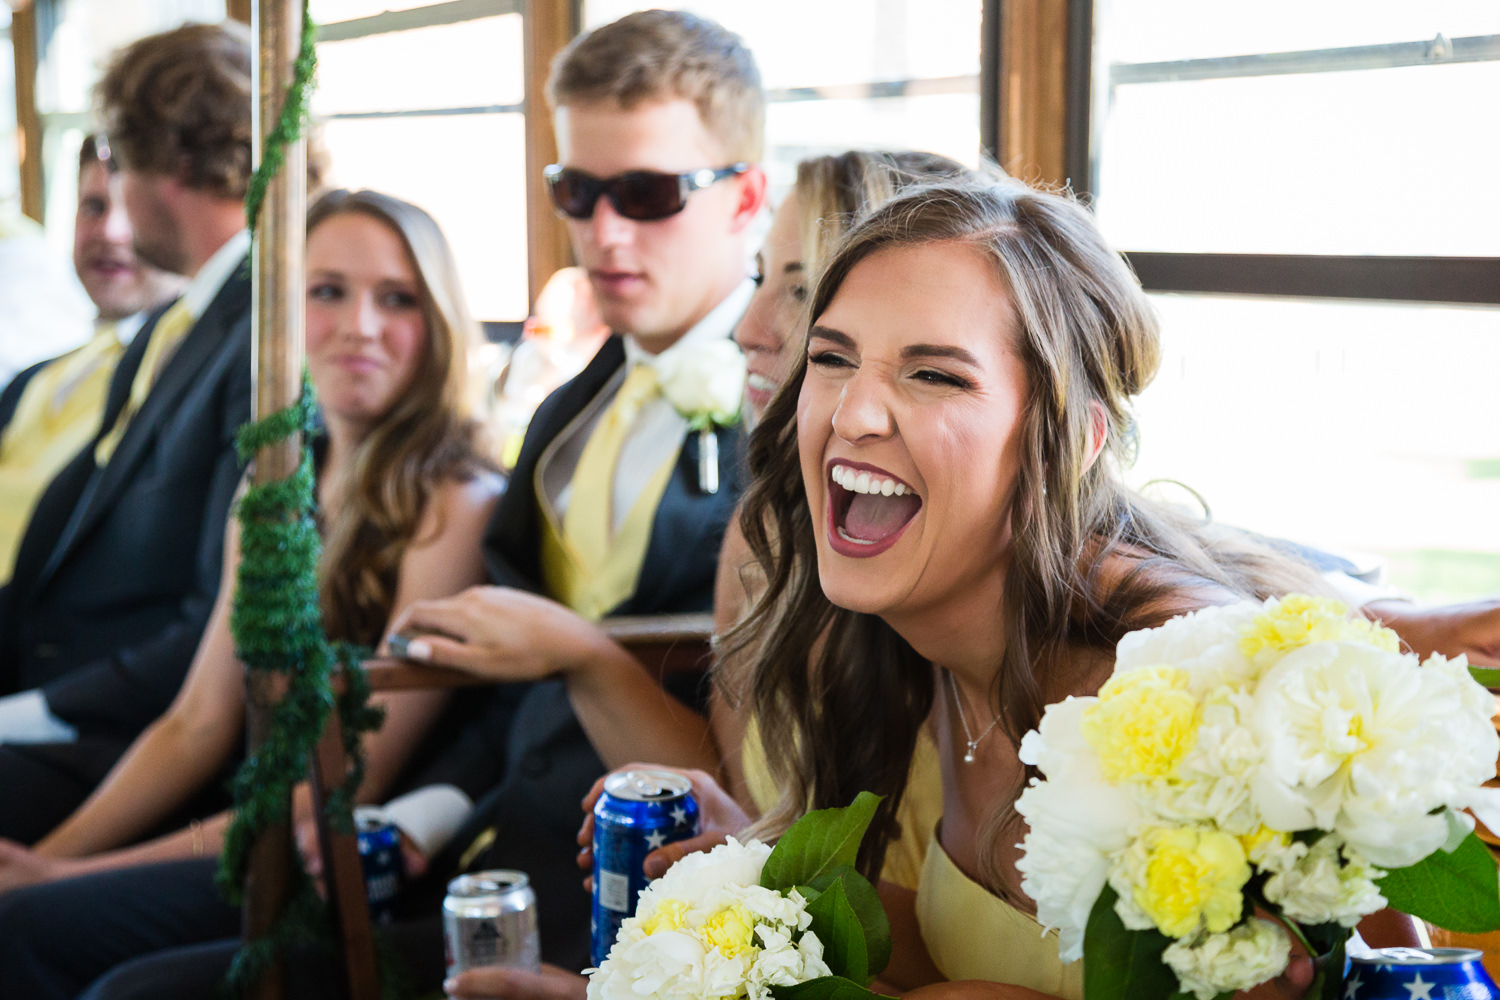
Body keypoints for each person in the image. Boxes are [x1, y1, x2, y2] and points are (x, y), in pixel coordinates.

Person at [8, 11, 769, 1000]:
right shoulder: (565, 419)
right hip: (484, 848)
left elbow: (759, 754)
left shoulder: (783, 429)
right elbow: (501, 699)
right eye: (576, 193)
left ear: (747, 196)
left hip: (658, 892)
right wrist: (443, 808)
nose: (603, 232)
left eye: (648, 193)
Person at [0, 187, 504, 996]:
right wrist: (52, 856)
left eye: (397, 299)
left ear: (438, 321)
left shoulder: (454, 500)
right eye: (327, 291)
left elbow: (347, 782)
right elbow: (195, 722)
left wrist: (63, 878)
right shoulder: (274, 482)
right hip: (252, 806)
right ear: (281, 312)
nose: (359, 326)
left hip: (355, 853)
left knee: (34, 931)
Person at [0, 21, 256, 842]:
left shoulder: (267, 336)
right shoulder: (172, 323)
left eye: (112, 153)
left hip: (145, 741)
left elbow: (211, 617)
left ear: (168, 160)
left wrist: (27, 714)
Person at [0, 134, 184, 588]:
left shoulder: (176, 377)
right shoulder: (39, 374)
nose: (110, 231)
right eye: (94, 207)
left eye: (132, 208)